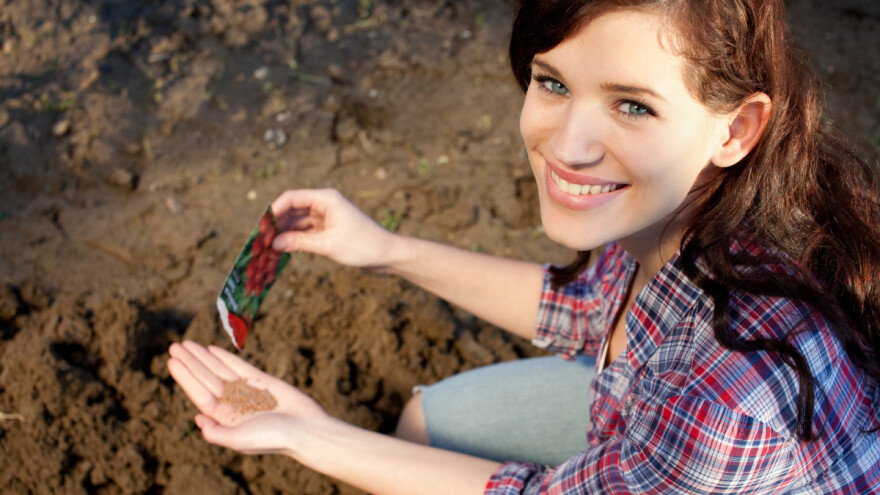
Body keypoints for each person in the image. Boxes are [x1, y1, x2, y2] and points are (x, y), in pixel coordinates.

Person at [167, 0, 880, 492]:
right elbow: (581, 306)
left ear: (736, 129)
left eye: (633, 105)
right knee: (425, 424)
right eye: (553, 83)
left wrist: (307, 434)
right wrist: (382, 249)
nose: (568, 147)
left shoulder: (730, 398)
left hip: (694, 450)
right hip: (648, 429)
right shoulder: (683, 216)